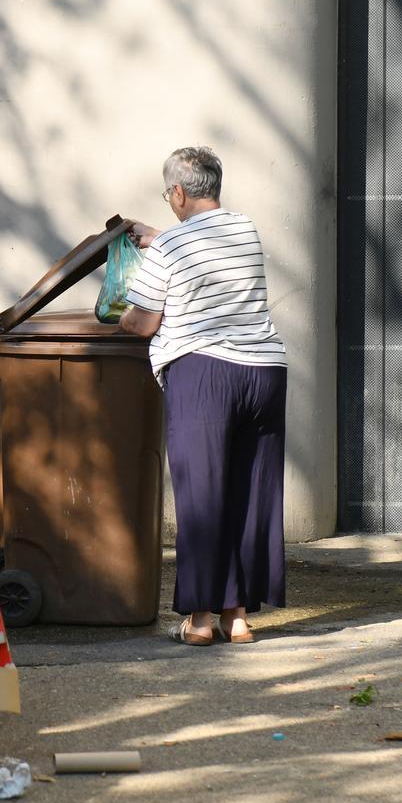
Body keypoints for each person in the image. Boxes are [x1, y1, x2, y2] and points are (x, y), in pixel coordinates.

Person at [119, 146, 287, 646]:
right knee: (249, 495)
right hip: (264, 373)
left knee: (202, 496)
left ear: (176, 192)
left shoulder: (171, 248)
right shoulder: (245, 229)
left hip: (204, 374)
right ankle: (238, 618)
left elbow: (142, 322)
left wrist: (126, 315)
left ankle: (198, 622)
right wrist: (158, 237)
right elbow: (202, 247)